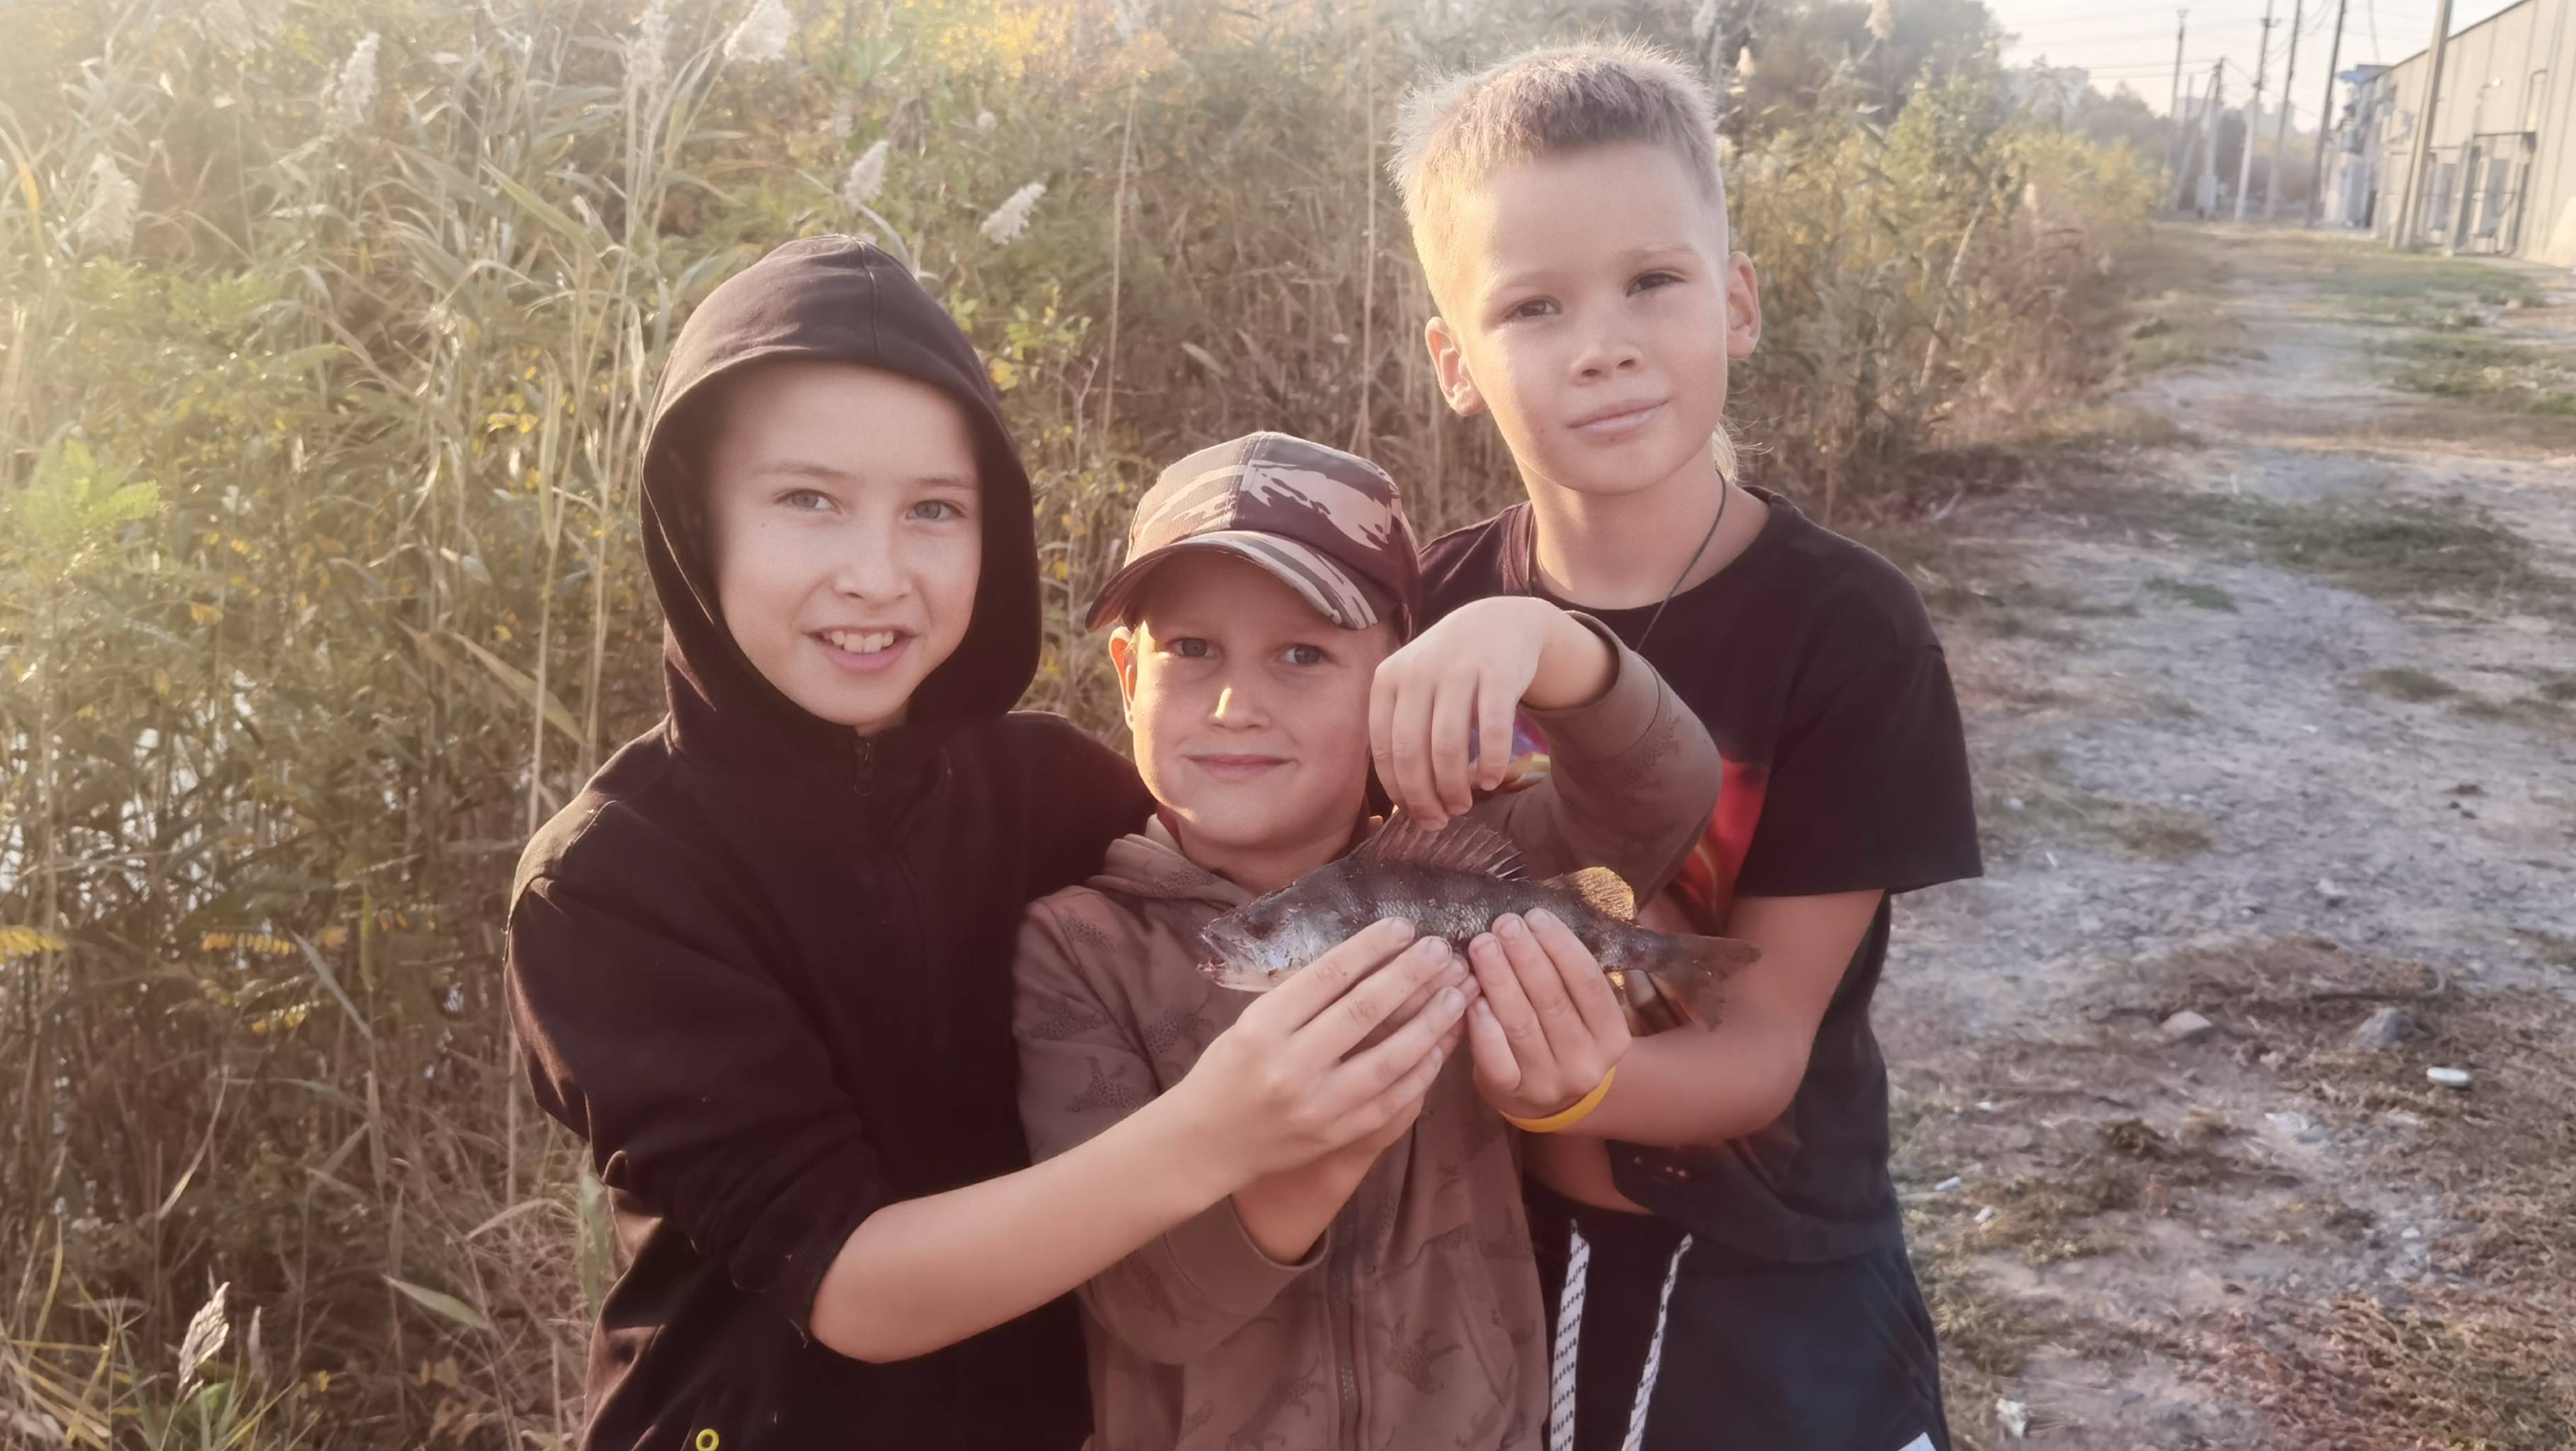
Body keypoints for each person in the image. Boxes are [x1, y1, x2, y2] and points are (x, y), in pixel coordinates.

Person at [504, 240, 1470, 1450]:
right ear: (698, 516)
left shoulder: (1052, 788)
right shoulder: (610, 884)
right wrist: (1219, 1132)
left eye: (934, 512)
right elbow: (852, 1282)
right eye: (808, 499)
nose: (875, 575)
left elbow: (1294, 855)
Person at [1390, 42, 1985, 1451]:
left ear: (1735, 300)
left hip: (1767, 1270)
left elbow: (1760, 1042)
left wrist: (1565, 1076)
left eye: (1650, 282)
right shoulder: (1425, 607)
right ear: (1453, 363)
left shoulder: (1846, 627)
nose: (1601, 342)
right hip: (1485, 1243)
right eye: (1531, 305)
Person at [1012, 430, 1726, 1450]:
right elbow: (1147, 1303)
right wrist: (1299, 1136)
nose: (1234, 703)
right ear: (1126, 673)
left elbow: (1668, 788)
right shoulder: (1077, 949)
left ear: (1395, 672)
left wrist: (1548, 640)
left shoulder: (1470, 852)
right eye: (1191, 649)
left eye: (1302, 653)